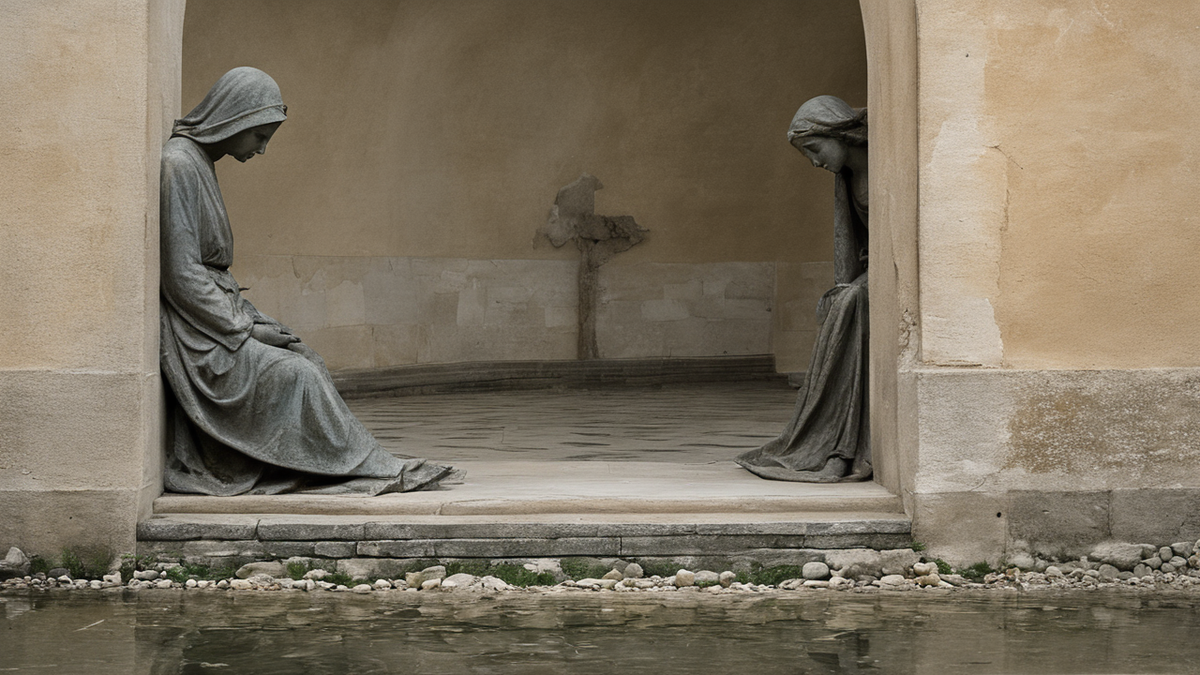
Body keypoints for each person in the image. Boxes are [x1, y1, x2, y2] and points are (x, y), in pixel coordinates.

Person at [159, 67, 453, 495]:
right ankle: (364, 467)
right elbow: (183, 276)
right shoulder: (179, 164)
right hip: (198, 334)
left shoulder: (198, 162)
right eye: (259, 137)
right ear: (234, 119)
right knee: (299, 375)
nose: (261, 151)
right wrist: (246, 328)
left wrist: (255, 321)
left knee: (306, 357)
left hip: (218, 318)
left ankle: (352, 463)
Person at [735, 95, 871, 483]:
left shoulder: (881, 164)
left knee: (847, 302)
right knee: (840, 302)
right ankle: (825, 434)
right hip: (868, 274)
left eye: (815, 149)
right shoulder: (847, 177)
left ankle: (838, 442)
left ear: (837, 132)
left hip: (883, 275)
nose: (815, 162)